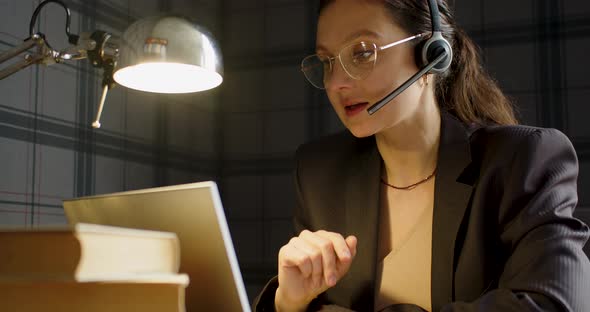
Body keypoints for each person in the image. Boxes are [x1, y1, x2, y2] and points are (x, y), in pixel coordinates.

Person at [253, 0, 590, 311]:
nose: (337, 82)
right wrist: (288, 302)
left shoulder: (523, 159)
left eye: (362, 52)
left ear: (431, 53)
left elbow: (554, 304)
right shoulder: (319, 172)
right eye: (327, 61)